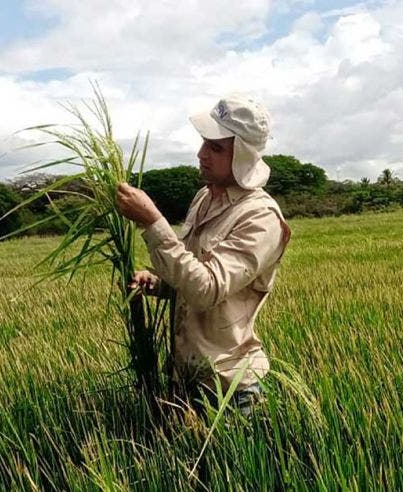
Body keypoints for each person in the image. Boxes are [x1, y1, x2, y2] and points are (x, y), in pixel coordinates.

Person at [115, 95, 291, 416]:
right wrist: (157, 284)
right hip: (185, 381)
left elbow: (206, 290)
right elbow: (191, 274)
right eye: (203, 143)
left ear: (242, 154)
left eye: (216, 148)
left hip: (231, 390)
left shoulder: (261, 218)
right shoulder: (203, 198)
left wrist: (153, 222)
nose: (201, 154)